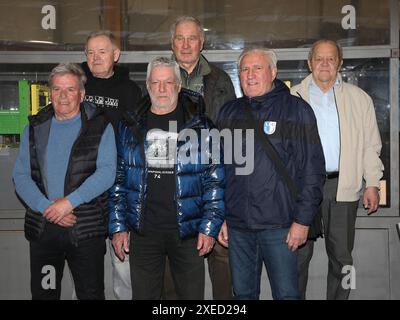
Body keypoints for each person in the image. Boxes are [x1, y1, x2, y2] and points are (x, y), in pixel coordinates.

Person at [108, 56, 225, 300]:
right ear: (148, 85)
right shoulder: (129, 125)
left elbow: (214, 180)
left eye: (168, 82)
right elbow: (118, 180)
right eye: (156, 82)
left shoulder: (201, 126)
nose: (162, 89)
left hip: (189, 233)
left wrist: (209, 226)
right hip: (143, 233)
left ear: (178, 85)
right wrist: (118, 227)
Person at [216, 48, 325, 300]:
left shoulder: (296, 110)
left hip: (281, 225)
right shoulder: (228, 112)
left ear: (273, 72)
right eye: (244, 69)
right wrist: (221, 216)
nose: (250, 75)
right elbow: (220, 169)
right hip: (238, 225)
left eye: (257, 68)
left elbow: (312, 169)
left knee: (286, 295)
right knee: (242, 294)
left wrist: (302, 221)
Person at [12, 63, 117, 300]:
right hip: (44, 231)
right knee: (44, 294)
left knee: (90, 294)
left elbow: (107, 172)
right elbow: (20, 175)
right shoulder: (35, 127)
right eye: (57, 89)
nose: (63, 95)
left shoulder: (101, 126)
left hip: (85, 230)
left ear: (82, 94)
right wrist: (48, 208)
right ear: (50, 92)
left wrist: (67, 204)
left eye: (70, 89)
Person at [291, 39, 384, 300]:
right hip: (302, 189)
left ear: (339, 63)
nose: (324, 64)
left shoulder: (359, 99)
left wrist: (373, 183)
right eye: (319, 58)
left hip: (342, 187)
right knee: (297, 257)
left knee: (343, 258)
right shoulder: (292, 98)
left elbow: (370, 145)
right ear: (309, 63)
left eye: (330, 59)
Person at [164, 15, 236, 300]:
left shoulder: (220, 80)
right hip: (175, 185)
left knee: (222, 259)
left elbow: (231, 135)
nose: (185, 44)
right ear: (172, 43)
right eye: (180, 38)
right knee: (175, 268)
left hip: (214, 180)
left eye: (191, 38)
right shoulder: (160, 77)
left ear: (201, 42)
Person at [82, 30, 142, 300]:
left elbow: (137, 139)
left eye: (102, 52)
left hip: (120, 188)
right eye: (91, 53)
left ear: (115, 55)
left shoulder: (130, 90)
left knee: (123, 269)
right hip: (83, 189)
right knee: (84, 271)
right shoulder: (76, 85)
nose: (96, 57)